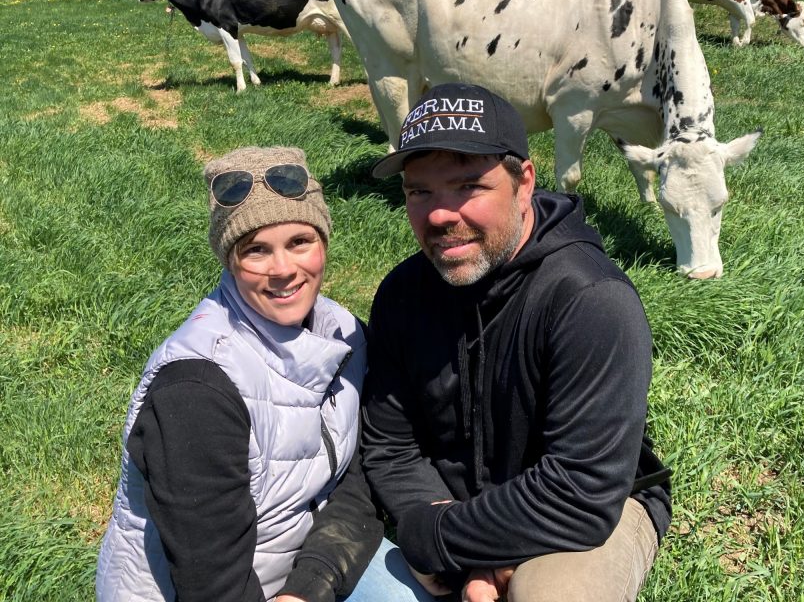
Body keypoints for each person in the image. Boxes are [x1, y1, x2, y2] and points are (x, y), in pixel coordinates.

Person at [361, 84, 673, 602]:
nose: (440, 215)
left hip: (589, 509)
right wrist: (452, 538)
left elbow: (581, 492)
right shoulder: (402, 294)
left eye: (468, 186)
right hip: (456, 505)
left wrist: (437, 539)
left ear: (523, 183)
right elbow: (390, 444)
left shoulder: (589, 299)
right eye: (420, 192)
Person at [96, 146, 435, 602]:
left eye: (300, 242)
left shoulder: (346, 333)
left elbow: (357, 477)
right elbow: (210, 578)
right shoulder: (196, 387)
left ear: (324, 243)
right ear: (229, 260)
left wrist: (310, 586)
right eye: (256, 250)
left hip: (302, 560)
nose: (283, 270)